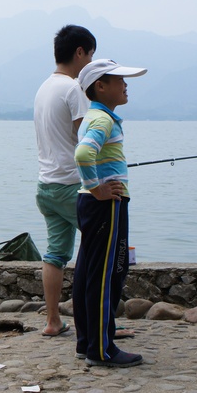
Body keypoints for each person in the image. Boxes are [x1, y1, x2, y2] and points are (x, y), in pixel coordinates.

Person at [72, 58, 147, 368]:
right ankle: (102, 349)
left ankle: (86, 341)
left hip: (92, 204)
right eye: (119, 80)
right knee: (107, 276)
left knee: (88, 274)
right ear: (100, 87)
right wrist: (97, 188)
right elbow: (83, 153)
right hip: (106, 204)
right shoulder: (102, 120)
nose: (125, 85)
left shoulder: (95, 116)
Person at [33, 24, 96, 337]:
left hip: (46, 186)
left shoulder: (44, 88)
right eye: (91, 56)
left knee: (55, 254)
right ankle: (100, 323)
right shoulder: (73, 89)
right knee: (102, 245)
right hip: (73, 185)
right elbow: (87, 141)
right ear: (80, 52)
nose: (91, 65)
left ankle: (53, 321)